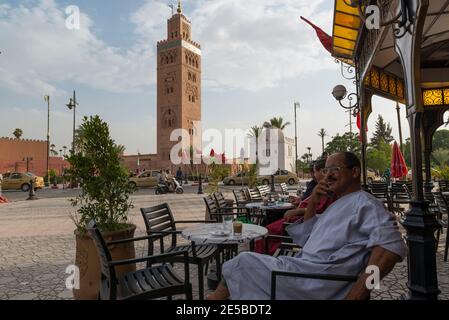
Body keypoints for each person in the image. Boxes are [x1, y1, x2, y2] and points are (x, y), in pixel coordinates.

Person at [208, 152, 407, 300]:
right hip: (305, 269)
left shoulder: (366, 204)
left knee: (242, 263)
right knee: (243, 272)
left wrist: (359, 292)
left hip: (317, 280)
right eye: (326, 170)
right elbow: (307, 236)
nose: (328, 175)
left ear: (354, 172)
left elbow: (391, 248)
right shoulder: (340, 203)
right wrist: (312, 202)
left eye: (335, 170)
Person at [254, 158, 336, 255]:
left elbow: (319, 212)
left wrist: (297, 211)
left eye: (315, 172)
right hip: (300, 221)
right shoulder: (320, 187)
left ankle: (263, 254)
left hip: (297, 223)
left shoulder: (327, 190)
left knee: (267, 230)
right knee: (270, 220)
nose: (313, 175)